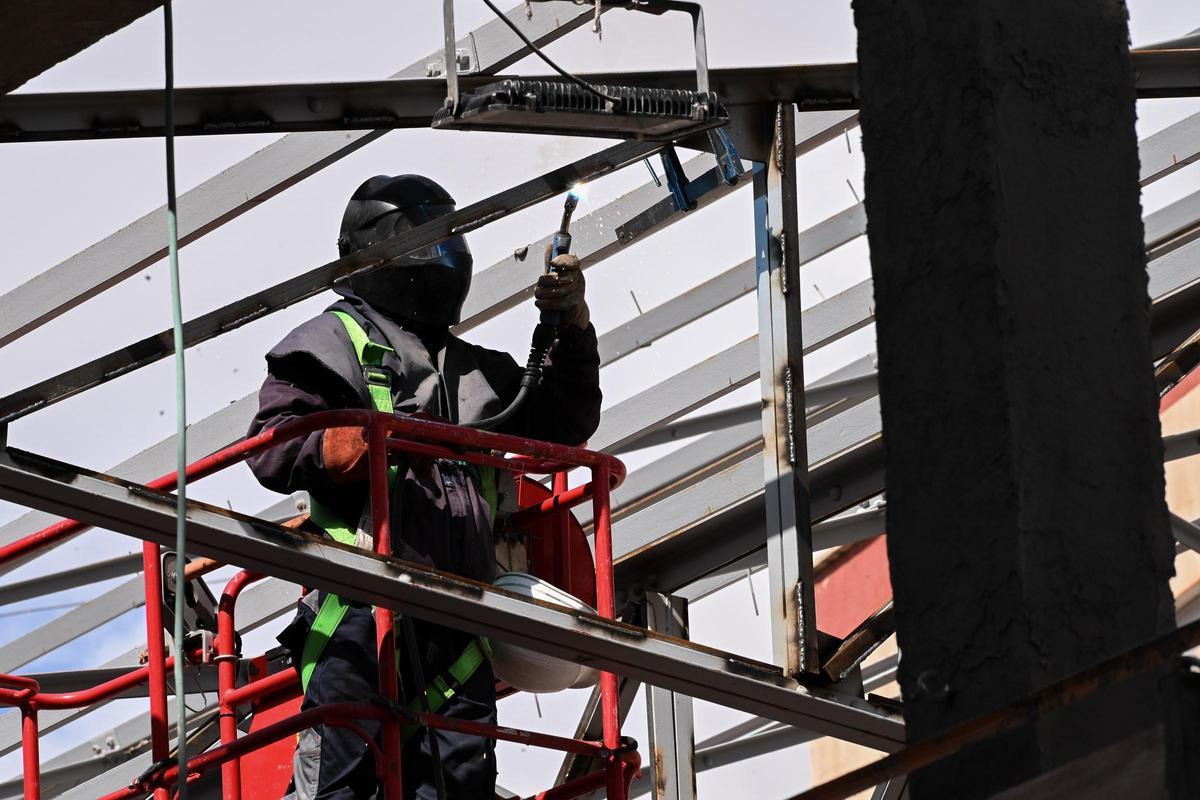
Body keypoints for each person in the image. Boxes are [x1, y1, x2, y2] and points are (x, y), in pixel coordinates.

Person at [246, 174, 602, 799]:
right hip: (360, 609)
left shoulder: (470, 369)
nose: (450, 253)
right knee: (343, 783)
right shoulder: (331, 342)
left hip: (460, 621)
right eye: (436, 236)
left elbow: (563, 421)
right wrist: (354, 444)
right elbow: (274, 445)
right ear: (386, 247)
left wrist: (568, 323)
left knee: (459, 786)